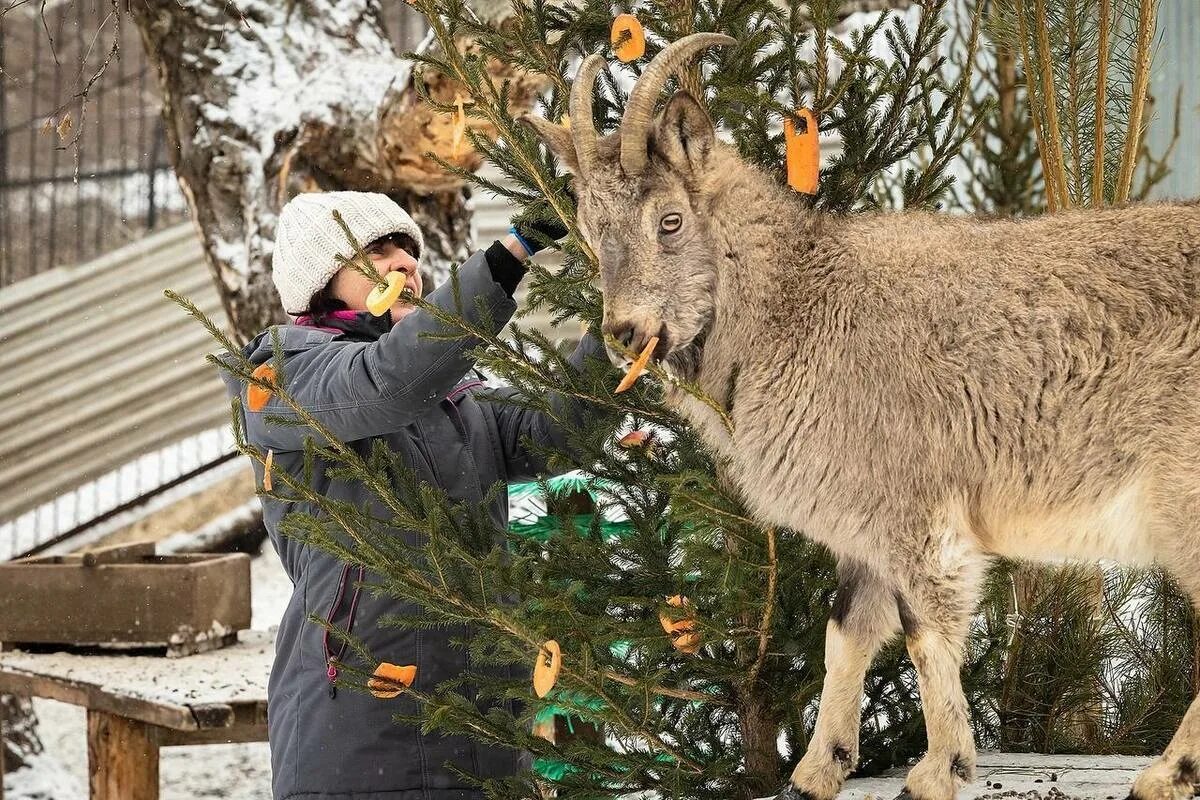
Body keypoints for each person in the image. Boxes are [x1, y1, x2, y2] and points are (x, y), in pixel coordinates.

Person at [219, 191, 606, 800]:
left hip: (483, 720)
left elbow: (556, 433)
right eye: (377, 252)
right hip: (360, 727)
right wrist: (511, 254)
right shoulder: (281, 376)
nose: (404, 263)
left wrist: (618, 322)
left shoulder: (456, 397)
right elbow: (386, 383)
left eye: (408, 250)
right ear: (322, 283)